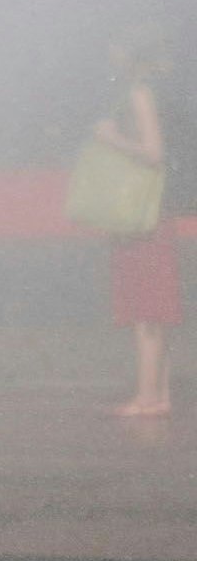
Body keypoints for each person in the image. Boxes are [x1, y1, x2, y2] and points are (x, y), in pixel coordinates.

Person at [92, 41, 182, 416]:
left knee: (146, 309)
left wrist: (112, 138)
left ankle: (148, 397)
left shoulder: (140, 93)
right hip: (152, 211)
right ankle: (157, 394)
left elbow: (153, 152)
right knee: (154, 309)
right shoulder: (157, 92)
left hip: (141, 214)